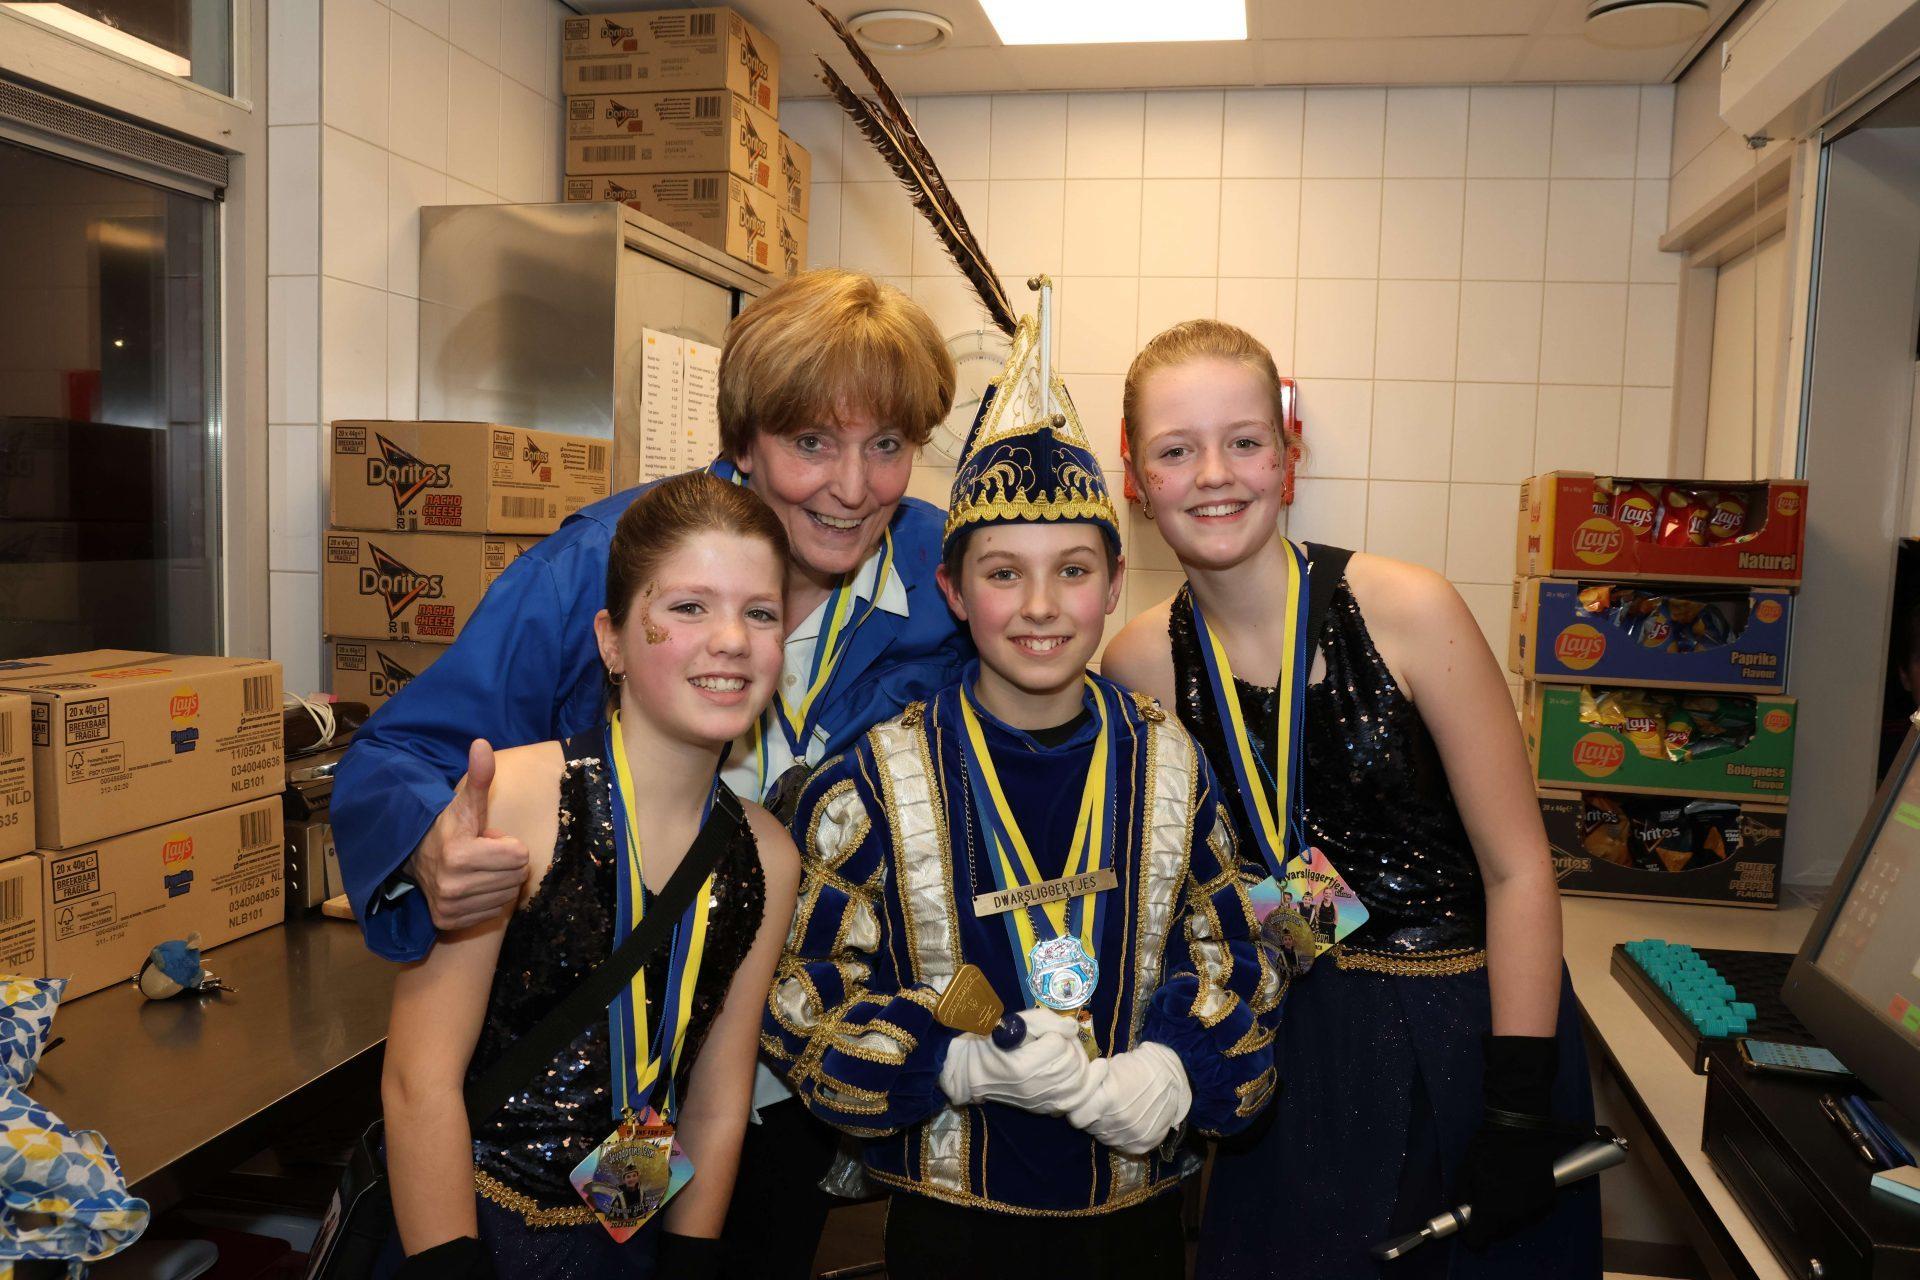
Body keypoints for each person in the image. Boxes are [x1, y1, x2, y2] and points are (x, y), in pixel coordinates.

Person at [333, 270, 971, 1277]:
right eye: (813, 442)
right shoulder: (603, 564)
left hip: (775, 1090)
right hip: (583, 1088)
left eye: (887, 445)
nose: (854, 488)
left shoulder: (946, 578)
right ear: (746, 438)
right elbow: (404, 753)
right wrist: (431, 845)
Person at [762, 317, 1285, 1280]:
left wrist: (1181, 1064)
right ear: (954, 590)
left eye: (1073, 571)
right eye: (1003, 574)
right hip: (947, 1227)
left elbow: (1242, 947)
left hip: (1134, 1223)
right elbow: (802, 996)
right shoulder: (870, 783)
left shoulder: (1172, 764)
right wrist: (947, 1061)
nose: (1040, 607)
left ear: (1115, 583)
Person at [1102, 319, 1600, 1279]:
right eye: (1176, 450)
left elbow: (1518, 869)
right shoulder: (1139, 665)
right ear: (1137, 476)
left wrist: (1516, 1105)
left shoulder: (1408, 610)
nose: (1214, 474)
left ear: (1288, 458)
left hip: (1472, 1029)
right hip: (1297, 1044)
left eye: (1244, 441)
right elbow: (1211, 891)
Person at [379, 472, 801, 1278]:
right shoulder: (516, 799)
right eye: (689, 607)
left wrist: (688, 1259)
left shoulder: (768, 855)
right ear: (611, 641)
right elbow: (417, 1079)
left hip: (625, 1233)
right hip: (468, 1228)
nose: (732, 639)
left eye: (761, 613)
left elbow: (716, 1096)